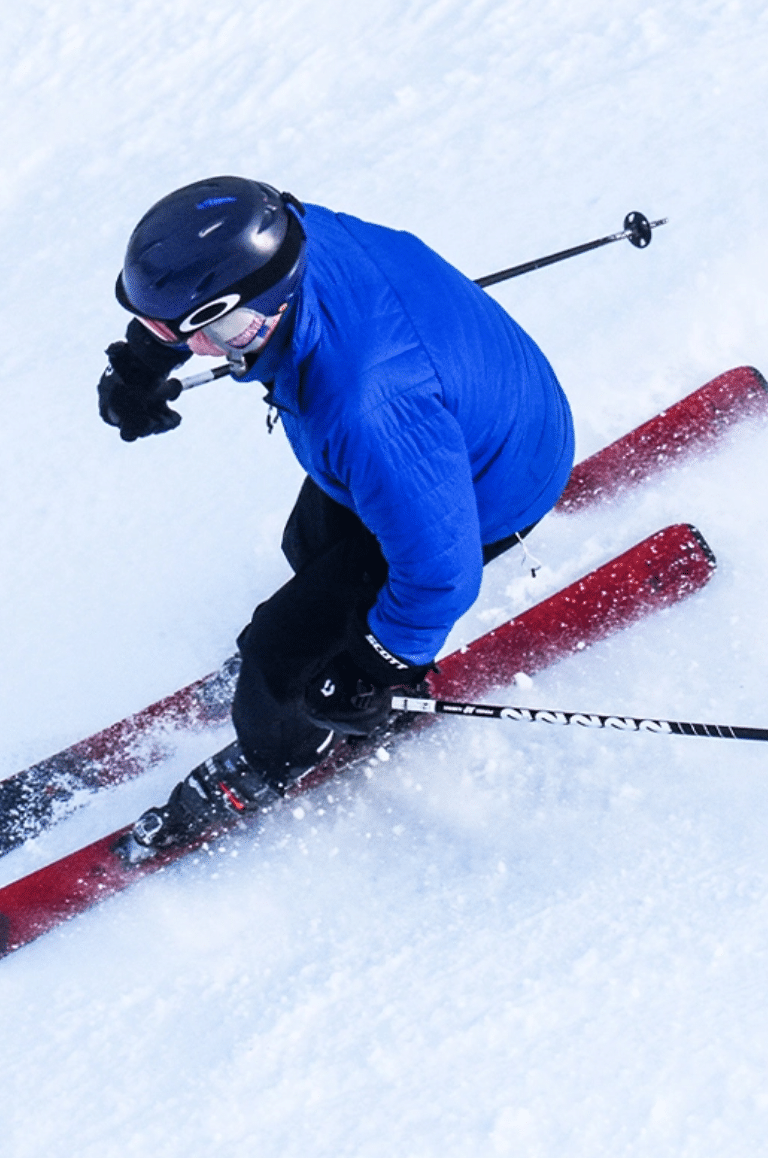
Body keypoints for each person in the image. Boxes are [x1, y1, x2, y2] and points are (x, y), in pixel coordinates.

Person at [97, 176, 574, 861]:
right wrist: (146, 360)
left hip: (490, 482)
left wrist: (375, 667)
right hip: (471, 415)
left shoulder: (365, 408)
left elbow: (441, 573)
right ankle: (333, 638)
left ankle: (277, 753)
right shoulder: (286, 233)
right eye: (160, 327)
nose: (188, 344)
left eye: (203, 331)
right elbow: (212, 288)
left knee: (276, 653)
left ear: (248, 311)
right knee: (309, 543)